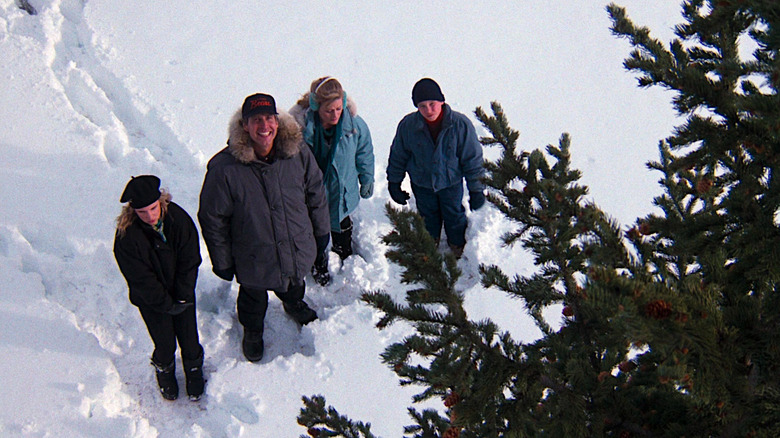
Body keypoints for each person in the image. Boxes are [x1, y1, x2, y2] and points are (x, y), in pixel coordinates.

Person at [198, 93, 330, 363]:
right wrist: (222, 260)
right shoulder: (224, 169)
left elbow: (316, 193)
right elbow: (213, 219)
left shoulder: (298, 153)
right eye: (256, 120)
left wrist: (321, 232)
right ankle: (252, 330)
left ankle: (294, 304)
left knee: (294, 284)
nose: (264, 126)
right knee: (253, 298)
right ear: (244, 126)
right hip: (254, 256)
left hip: (295, 245)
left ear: (278, 122)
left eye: (269, 118)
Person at [113, 175, 205, 401]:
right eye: (142, 212)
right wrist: (164, 303)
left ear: (161, 201)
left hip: (181, 292)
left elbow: (190, 258)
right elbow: (139, 278)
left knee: (189, 337)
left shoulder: (178, 219)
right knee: (163, 341)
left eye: (153, 208)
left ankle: (193, 369)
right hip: (152, 301)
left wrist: (182, 296)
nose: (150, 216)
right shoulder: (127, 237)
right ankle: (164, 369)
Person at [386, 78, 486, 258]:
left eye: (432, 104)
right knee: (427, 216)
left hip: (450, 183)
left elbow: (472, 159)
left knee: (454, 215)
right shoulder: (408, 126)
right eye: (422, 106)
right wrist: (394, 182)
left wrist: (476, 189)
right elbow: (398, 155)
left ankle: (456, 244)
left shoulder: (459, 125)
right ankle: (429, 246)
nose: (428, 110)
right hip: (422, 183)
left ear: (442, 101)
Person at [290, 77, 375, 285]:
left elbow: (364, 153)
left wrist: (367, 179)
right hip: (313, 194)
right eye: (329, 110)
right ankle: (318, 263)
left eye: (339, 108)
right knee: (315, 230)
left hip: (344, 191)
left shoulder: (354, 126)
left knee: (342, 222)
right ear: (316, 107)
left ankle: (343, 250)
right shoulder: (300, 132)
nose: (336, 114)